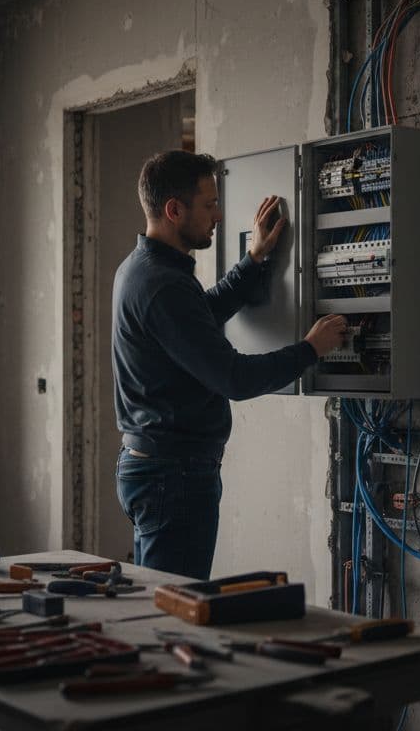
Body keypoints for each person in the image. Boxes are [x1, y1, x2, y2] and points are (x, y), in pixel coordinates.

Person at [111, 149, 347, 580]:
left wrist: (253, 260)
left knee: (157, 600)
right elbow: (233, 378)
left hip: (156, 468)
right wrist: (310, 349)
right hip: (174, 476)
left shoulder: (142, 270)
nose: (218, 216)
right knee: (173, 609)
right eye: (209, 205)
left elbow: (200, 315)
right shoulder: (163, 285)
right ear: (173, 210)